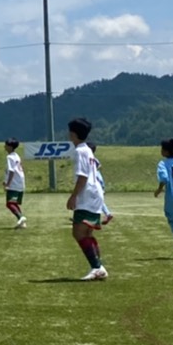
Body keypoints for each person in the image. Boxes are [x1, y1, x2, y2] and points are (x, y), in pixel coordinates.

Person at [65, 118, 108, 281]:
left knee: (78, 232)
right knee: (87, 232)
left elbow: (82, 176)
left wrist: (73, 196)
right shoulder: (87, 150)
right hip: (95, 193)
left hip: (87, 195)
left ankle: (97, 267)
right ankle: (98, 267)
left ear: (73, 134)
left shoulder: (80, 151)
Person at [87, 141, 114, 226]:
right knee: (97, 200)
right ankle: (107, 214)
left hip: (94, 182)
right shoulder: (94, 159)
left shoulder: (87, 159)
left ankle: (102, 216)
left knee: (93, 201)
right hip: (99, 180)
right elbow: (99, 166)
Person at [2, 138, 26, 229]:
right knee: (14, 203)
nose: (4, 146)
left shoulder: (9, 157)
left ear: (10, 147)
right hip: (20, 182)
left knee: (9, 203)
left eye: (6, 145)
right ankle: (22, 223)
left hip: (14, 183)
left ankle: (21, 217)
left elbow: (11, 171)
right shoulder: (17, 156)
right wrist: (5, 180)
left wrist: (8, 184)